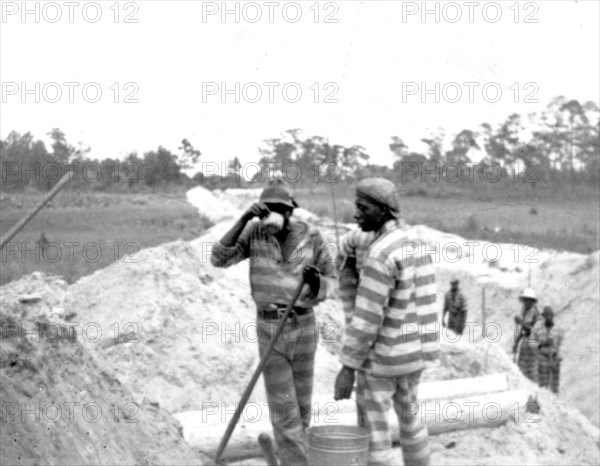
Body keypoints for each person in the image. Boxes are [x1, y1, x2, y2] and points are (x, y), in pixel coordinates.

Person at [210, 183, 337, 466]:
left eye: (279, 210)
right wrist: (244, 219)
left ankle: (295, 460)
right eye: (267, 211)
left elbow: (333, 280)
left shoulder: (312, 236)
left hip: (304, 326)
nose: (272, 217)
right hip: (270, 327)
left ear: (289, 211)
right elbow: (218, 258)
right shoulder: (254, 233)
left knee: (302, 409)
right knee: (285, 411)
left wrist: (317, 282)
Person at [333, 178, 439, 466]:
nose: (355, 215)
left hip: (381, 362)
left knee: (375, 434)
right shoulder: (416, 243)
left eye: (362, 208)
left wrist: (347, 367)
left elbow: (367, 319)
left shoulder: (380, 256)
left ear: (382, 210)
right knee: (412, 422)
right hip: (413, 356)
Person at [513, 287, 540, 383]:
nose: (525, 303)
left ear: (531, 301)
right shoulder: (525, 311)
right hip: (525, 343)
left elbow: (532, 331)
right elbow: (523, 330)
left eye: (527, 301)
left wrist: (520, 322)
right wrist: (516, 342)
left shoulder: (535, 314)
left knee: (530, 370)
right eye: (524, 301)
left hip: (532, 344)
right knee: (521, 367)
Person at [537, 306, 563, 394]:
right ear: (544, 316)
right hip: (542, 359)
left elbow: (562, 344)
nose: (548, 317)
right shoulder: (539, 328)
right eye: (546, 315)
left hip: (554, 358)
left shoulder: (559, 329)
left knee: (554, 385)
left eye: (550, 315)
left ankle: (555, 403)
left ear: (553, 316)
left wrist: (558, 356)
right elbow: (533, 343)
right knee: (542, 385)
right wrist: (543, 343)